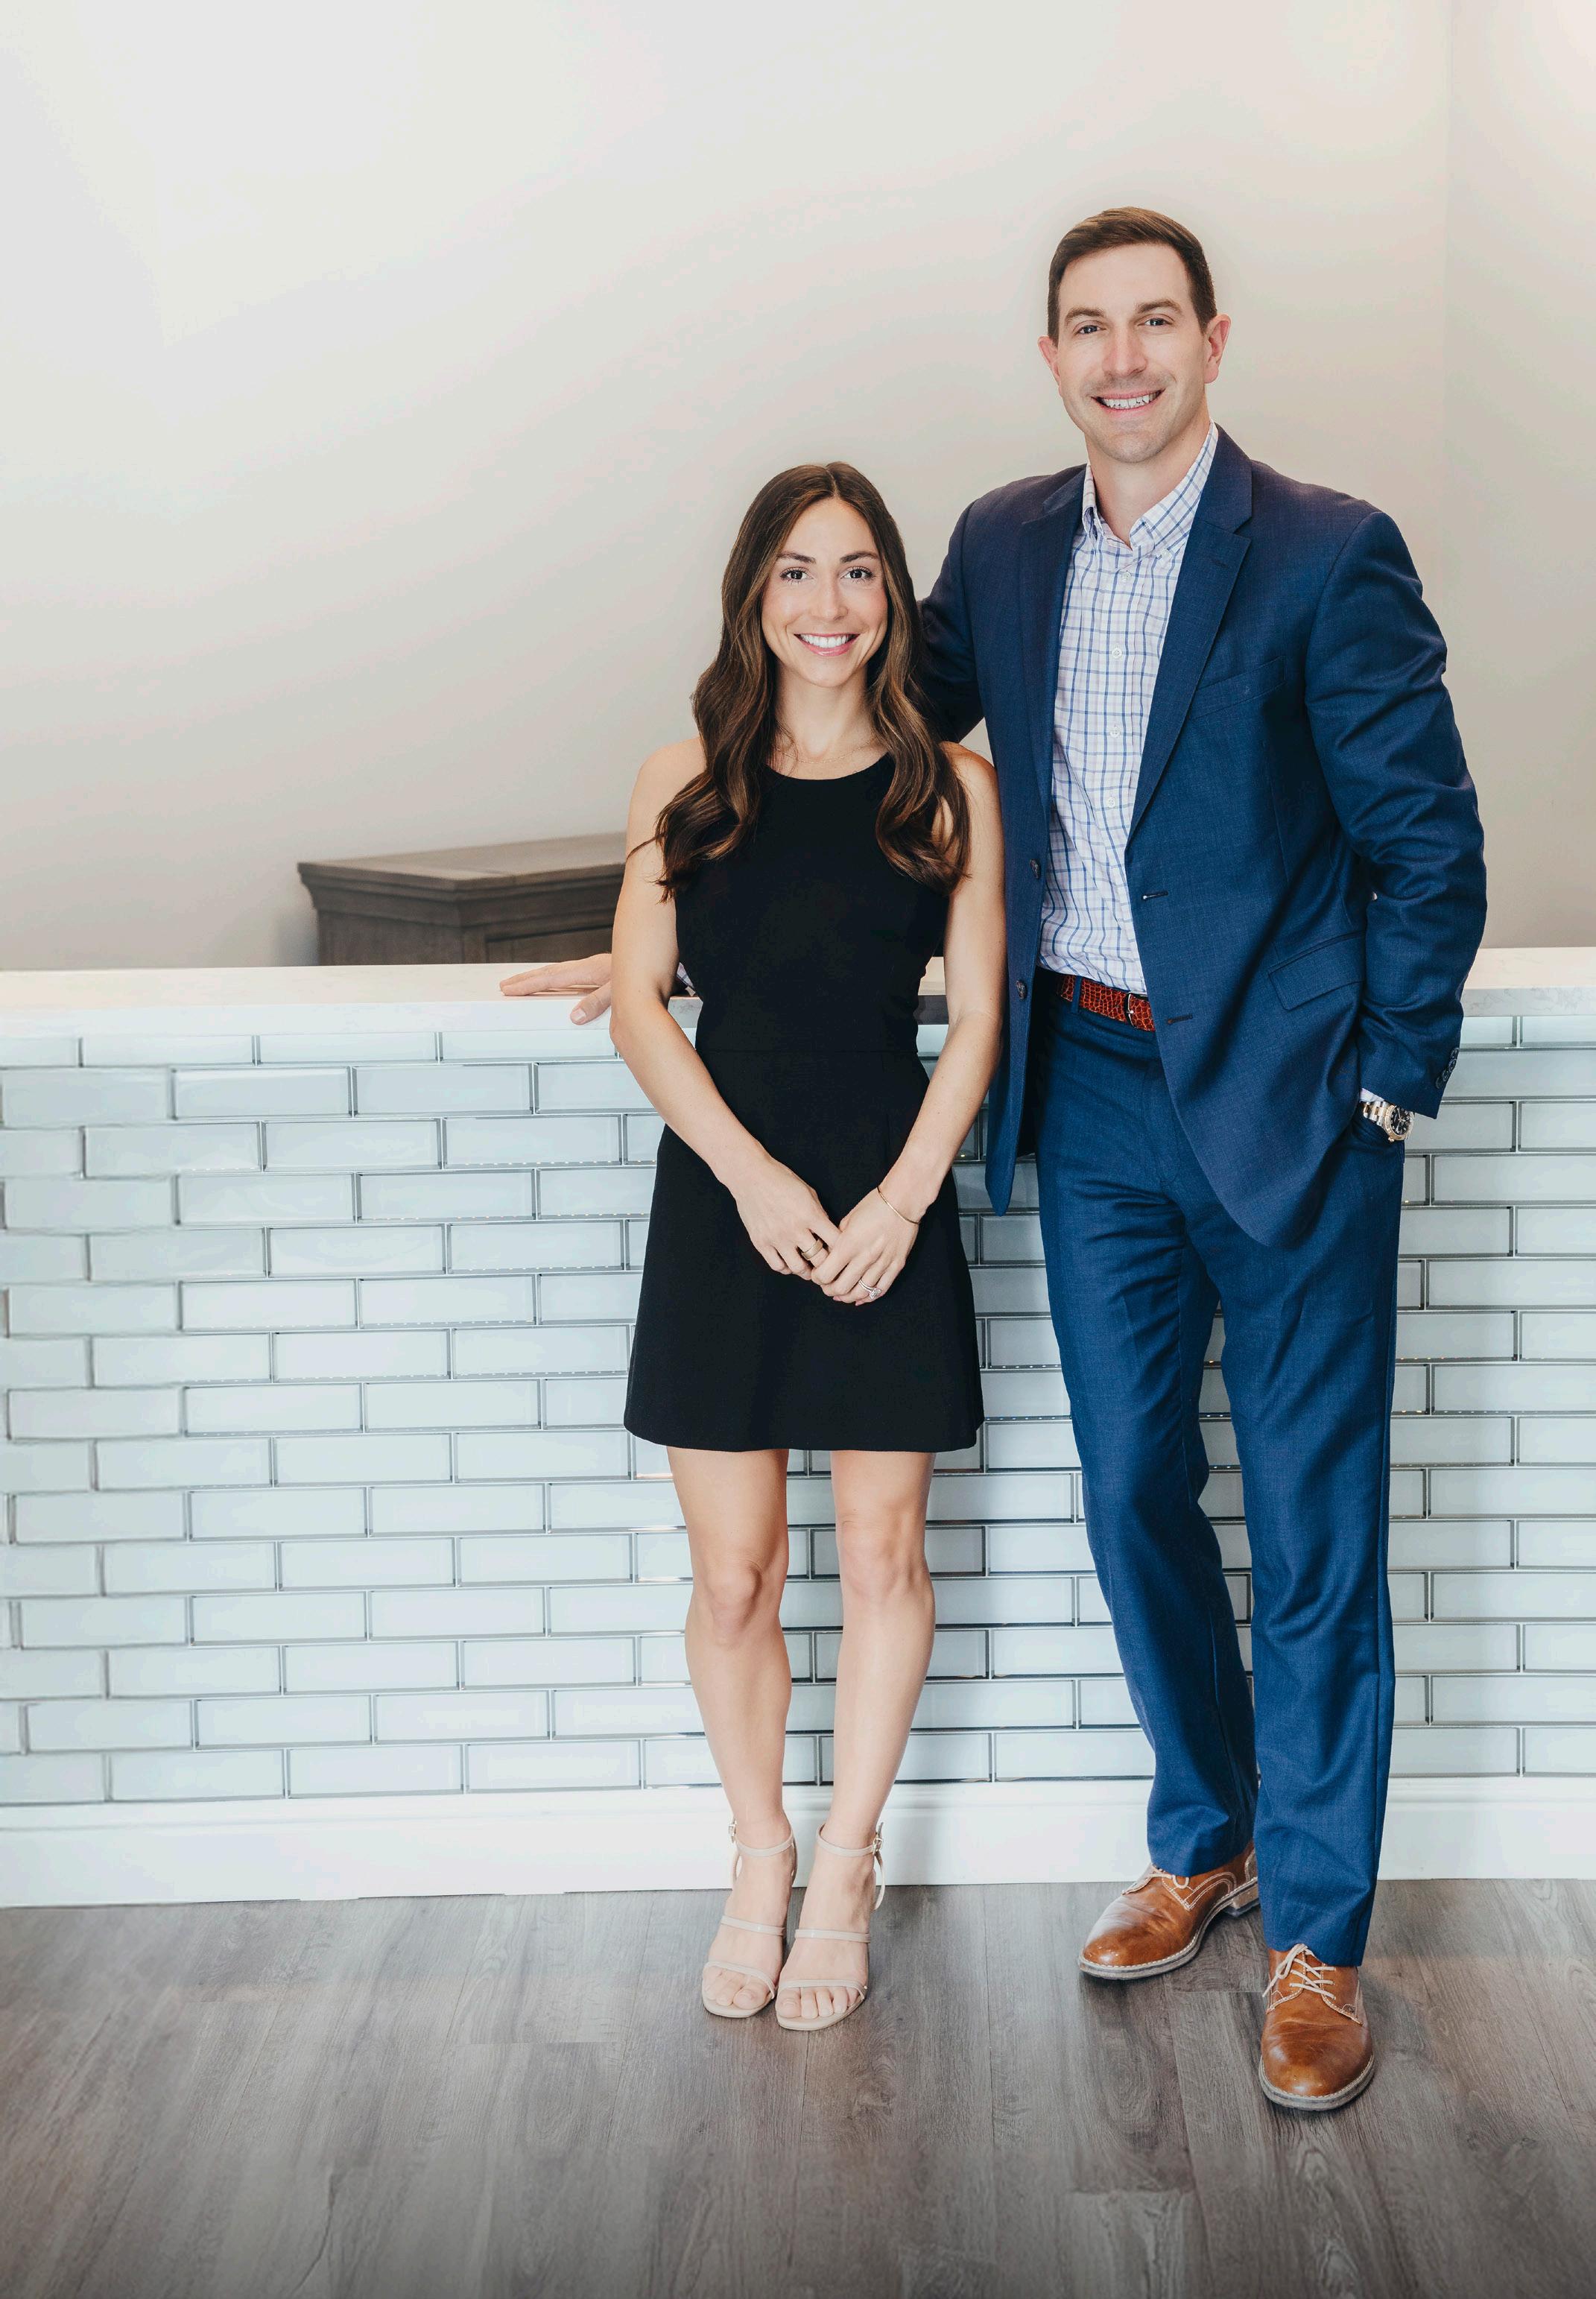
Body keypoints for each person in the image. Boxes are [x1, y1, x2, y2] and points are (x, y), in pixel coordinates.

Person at [504, 208, 1486, 2108]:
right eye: (1086, 328)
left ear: (1212, 338)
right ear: (1050, 358)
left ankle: (1317, 1937)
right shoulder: (1008, 546)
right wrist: (638, 925)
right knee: (1132, 1494)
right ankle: (1208, 1836)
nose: (1123, 358)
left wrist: (1388, 1084)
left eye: (1154, 321)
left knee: (1314, 1531)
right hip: (1093, 1094)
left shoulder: (1327, 551)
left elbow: (1426, 843)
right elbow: (835, 724)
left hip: (1292, 1103)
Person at [600, 461, 1004, 2031]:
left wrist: (903, 1201)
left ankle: (847, 1864)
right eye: (794, 571)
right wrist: (753, 1179)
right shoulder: (681, 777)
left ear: (891, 595)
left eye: (856, 572)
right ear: (751, 594)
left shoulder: (949, 785)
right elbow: (643, 1005)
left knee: (885, 1554)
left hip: (887, 1188)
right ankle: (758, 1853)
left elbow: (980, 1018)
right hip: (728, 1193)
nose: (826, 604)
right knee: (734, 1576)